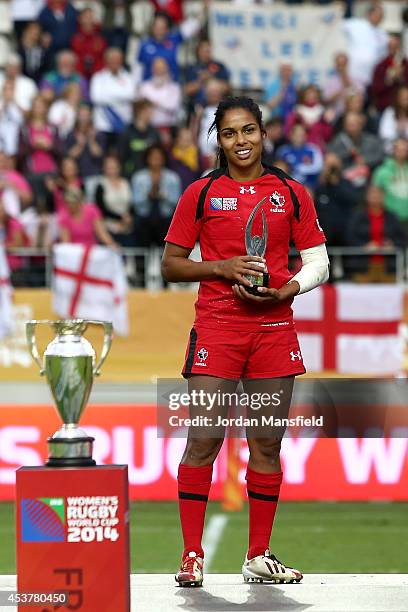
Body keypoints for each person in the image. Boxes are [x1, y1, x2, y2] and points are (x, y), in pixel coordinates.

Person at [161, 97, 329, 586]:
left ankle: (259, 555)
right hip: (218, 327)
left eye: (249, 130)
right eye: (230, 133)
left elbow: (319, 261)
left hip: (274, 328)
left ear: (262, 133)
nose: (241, 141)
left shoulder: (291, 193)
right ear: (219, 139)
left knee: (267, 443)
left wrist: (286, 289)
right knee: (205, 438)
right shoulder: (201, 193)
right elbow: (170, 265)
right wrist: (221, 267)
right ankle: (191, 555)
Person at [95, 155, 133, 246]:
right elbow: (100, 208)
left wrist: (128, 217)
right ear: (103, 168)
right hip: (108, 224)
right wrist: (120, 218)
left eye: (115, 167)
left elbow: (131, 204)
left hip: (127, 223)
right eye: (109, 167)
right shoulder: (100, 185)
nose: (112, 170)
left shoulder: (126, 183)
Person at [371, 34, 408, 113]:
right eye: (391, 46)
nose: (393, 49)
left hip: (404, 110)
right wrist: (388, 80)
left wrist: (400, 78)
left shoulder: (406, 65)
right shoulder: (381, 66)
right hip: (385, 108)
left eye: (395, 46)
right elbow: (375, 89)